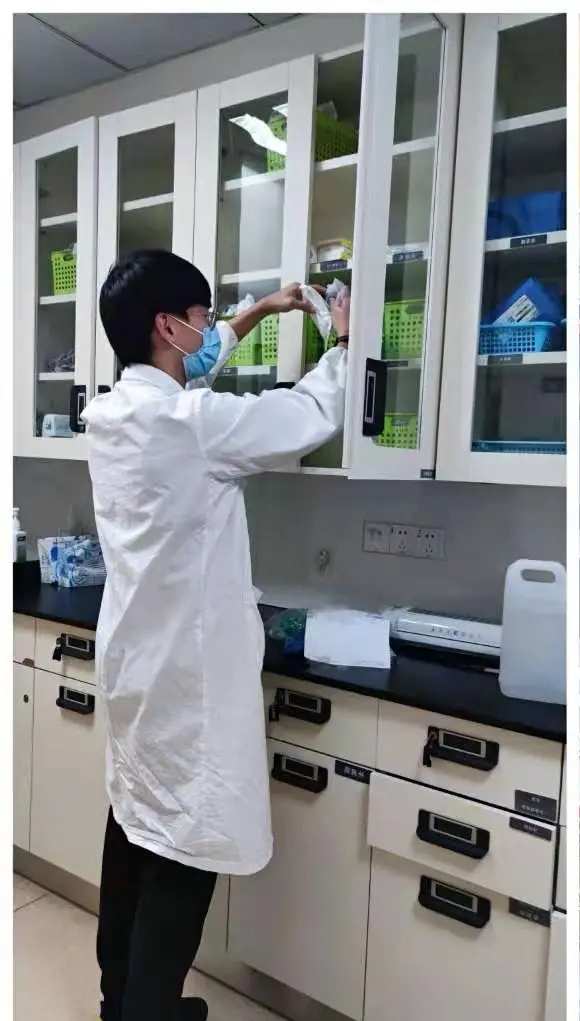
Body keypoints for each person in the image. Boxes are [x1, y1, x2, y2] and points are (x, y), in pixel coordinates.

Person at [82, 249, 350, 1021]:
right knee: (182, 855)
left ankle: (117, 1001)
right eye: (201, 317)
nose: (209, 329)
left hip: (136, 668)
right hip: (187, 681)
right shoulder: (193, 425)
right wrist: (341, 341)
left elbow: (195, 370)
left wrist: (259, 312)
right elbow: (304, 415)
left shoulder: (115, 414)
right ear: (168, 326)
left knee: (133, 829)